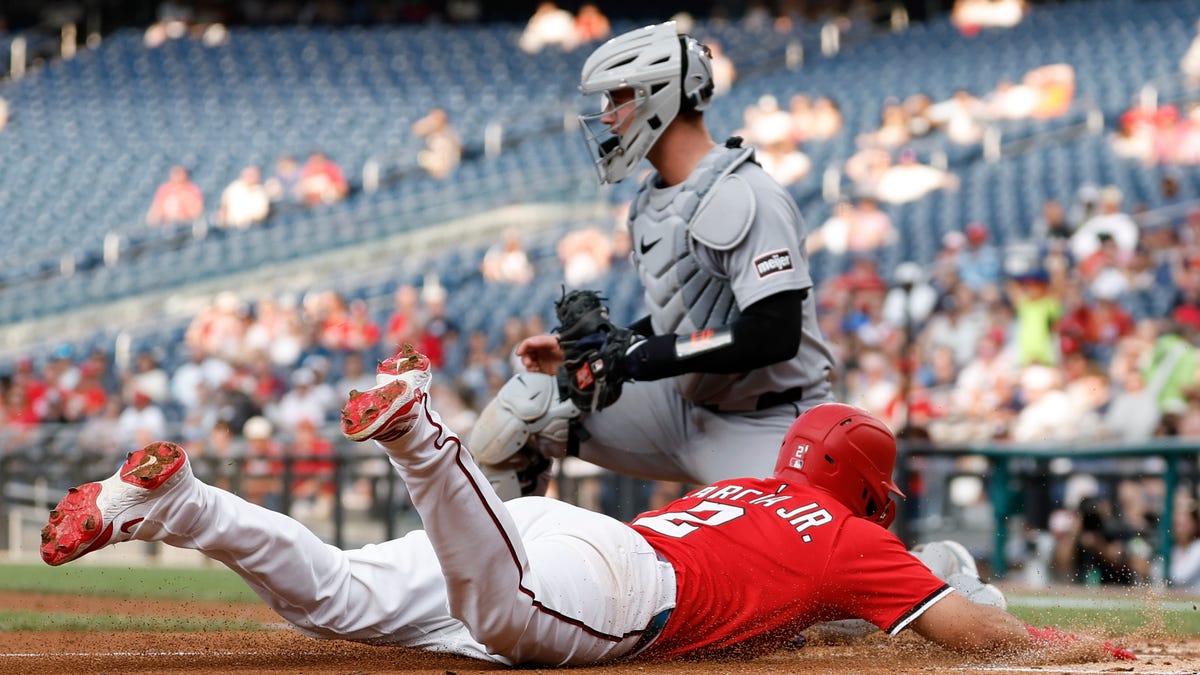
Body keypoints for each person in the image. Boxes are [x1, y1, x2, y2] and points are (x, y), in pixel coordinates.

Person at [39, 345, 1135, 666]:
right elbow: (971, 631)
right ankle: (424, 436)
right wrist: (1073, 647)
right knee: (509, 622)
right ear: (864, 489)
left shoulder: (749, 485)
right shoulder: (852, 539)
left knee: (330, 596)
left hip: (567, 530)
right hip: (612, 586)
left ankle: (178, 503)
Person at [476, 22, 838, 499]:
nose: (606, 118)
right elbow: (687, 316)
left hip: (770, 424)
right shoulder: (651, 201)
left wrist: (642, 357)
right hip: (682, 408)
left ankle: (940, 569)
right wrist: (611, 346)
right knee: (522, 413)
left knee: (789, 572)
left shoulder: (744, 193)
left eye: (616, 99)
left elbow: (774, 332)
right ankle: (510, 572)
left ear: (658, 96)